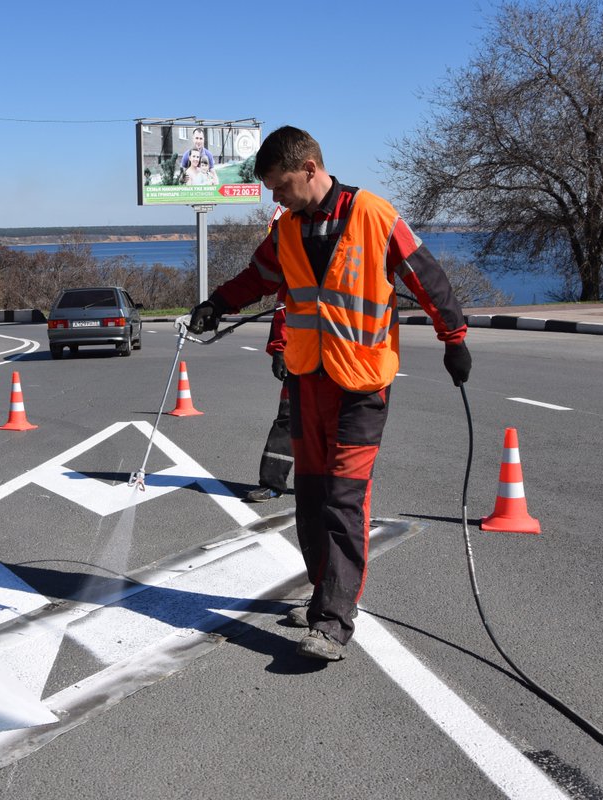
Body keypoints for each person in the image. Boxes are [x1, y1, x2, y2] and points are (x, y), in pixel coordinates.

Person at [188, 125, 471, 662]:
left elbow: (429, 280)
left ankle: (333, 621)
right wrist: (218, 302)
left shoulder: (375, 216)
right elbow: (259, 276)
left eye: (280, 185)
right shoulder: (288, 228)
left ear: (310, 169)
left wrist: (453, 339)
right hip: (308, 379)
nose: (276, 197)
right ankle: (324, 593)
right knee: (313, 500)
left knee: (344, 499)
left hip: (361, 385)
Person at [245, 284, 293, 503]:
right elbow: (283, 310)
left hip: (347, 362)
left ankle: (334, 490)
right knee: (287, 421)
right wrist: (279, 349)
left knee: (338, 429)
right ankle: (272, 484)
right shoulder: (297, 264)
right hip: (303, 360)